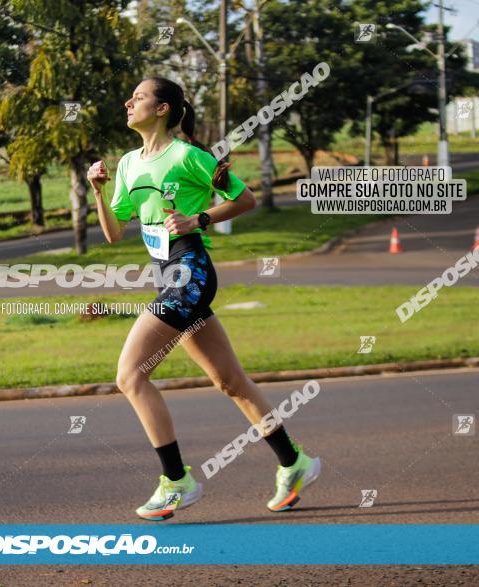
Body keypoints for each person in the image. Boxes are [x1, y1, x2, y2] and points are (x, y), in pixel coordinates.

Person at [87, 77, 320, 521]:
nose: (128, 100)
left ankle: (176, 481)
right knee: (229, 381)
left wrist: (200, 218)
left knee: (130, 375)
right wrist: (97, 191)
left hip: (189, 275)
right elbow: (115, 231)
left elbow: (244, 197)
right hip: (166, 277)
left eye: (138, 96)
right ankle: (295, 464)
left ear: (163, 109)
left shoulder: (190, 157)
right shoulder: (128, 165)